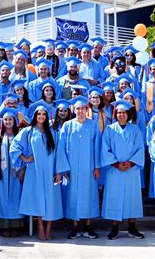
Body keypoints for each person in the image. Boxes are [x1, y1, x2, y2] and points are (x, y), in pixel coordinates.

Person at [11, 100, 63, 240]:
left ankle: (49, 227)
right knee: (38, 198)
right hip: (35, 171)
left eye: (43, 114)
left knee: (51, 199)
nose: (41, 116)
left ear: (46, 116)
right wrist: (26, 159)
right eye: (39, 114)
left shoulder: (53, 132)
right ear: (35, 116)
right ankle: (40, 226)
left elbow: (59, 152)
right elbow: (14, 146)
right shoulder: (28, 131)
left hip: (51, 170)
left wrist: (59, 171)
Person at [56, 96, 102, 239]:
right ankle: (75, 227)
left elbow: (97, 147)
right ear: (73, 110)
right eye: (78, 109)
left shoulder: (93, 125)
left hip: (89, 168)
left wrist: (97, 167)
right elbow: (61, 148)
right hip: (72, 169)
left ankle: (88, 227)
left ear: (86, 110)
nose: (80, 111)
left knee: (89, 195)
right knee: (73, 196)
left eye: (83, 108)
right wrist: (64, 169)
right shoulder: (67, 126)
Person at [101, 100, 145, 240]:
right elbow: (104, 149)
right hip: (115, 170)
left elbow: (140, 148)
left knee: (132, 198)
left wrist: (131, 163)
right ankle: (114, 228)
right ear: (115, 114)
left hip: (131, 170)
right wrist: (116, 164)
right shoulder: (110, 129)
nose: (121, 115)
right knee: (114, 198)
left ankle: (132, 227)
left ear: (128, 114)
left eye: (124, 112)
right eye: (119, 112)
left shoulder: (135, 129)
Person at [0, 107, 24, 237]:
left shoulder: (19, 136)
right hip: (1, 173)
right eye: (6, 119)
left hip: (15, 173)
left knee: (16, 198)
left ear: (14, 121)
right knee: (1, 198)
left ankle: (16, 227)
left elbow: (24, 153)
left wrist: (22, 169)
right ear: (2, 121)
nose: (8, 121)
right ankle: (4, 227)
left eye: (10, 119)